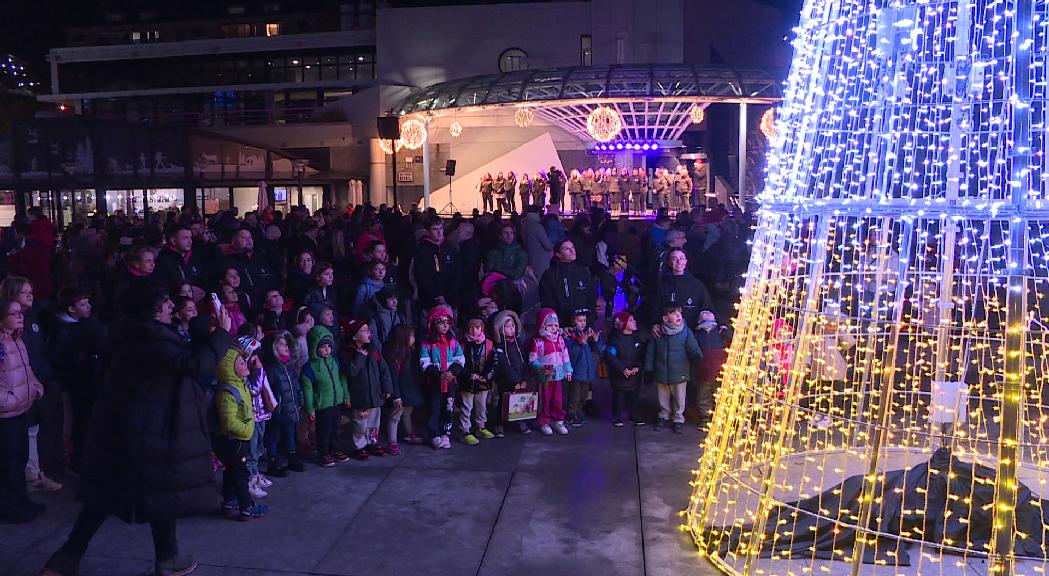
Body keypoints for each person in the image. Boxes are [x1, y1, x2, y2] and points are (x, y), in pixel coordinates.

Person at [42, 286, 233, 576]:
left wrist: (207, 334)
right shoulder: (148, 339)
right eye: (165, 302)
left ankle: (164, 556)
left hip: (135, 428)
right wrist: (222, 335)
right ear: (151, 310)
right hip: (145, 430)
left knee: (135, 496)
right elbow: (192, 364)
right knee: (115, 497)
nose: (171, 305)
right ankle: (68, 558)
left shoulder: (138, 334)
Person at [0, 277, 61, 493]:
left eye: (31, 291)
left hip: (32, 387)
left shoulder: (33, 320)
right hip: (15, 395)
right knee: (23, 436)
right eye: (24, 292)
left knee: (33, 432)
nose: (30, 295)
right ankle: (29, 477)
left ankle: (33, 474)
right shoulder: (12, 328)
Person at [49, 286, 106, 477]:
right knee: (77, 424)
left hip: (90, 381)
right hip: (75, 385)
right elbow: (56, 359)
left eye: (88, 302)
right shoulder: (63, 331)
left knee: (89, 421)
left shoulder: (89, 324)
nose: (89, 306)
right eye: (83, 304)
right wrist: (79, 358)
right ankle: (76, 460)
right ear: (71, 309)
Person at [214, 338, 270, 520]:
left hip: (238, 439)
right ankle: (246, 506)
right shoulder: (228, 391)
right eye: (240, 362)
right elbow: (229, 422)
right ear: (230, 369)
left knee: (232, 471)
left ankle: (230, 500)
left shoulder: (241, 383)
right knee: (240, 474)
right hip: (234, 440)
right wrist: (247, 429)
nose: (244, 363)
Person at [0, 298, 45, 523]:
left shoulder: (17, 339)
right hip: (6, 412)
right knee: (8, 461)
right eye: (14, 314)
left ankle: (20, 500)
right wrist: (8, 400)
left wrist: (35, 386)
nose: (20, 317)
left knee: (20, 457)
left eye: (21, 313)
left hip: (21, 409)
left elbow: (25, 369)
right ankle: (8, 506)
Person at [645, 305, 702, 434]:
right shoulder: (658, 333)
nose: (678, 316)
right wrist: (648, 367)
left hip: (679, 371)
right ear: (665, 318)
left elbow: (692, 346)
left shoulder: (686, 332)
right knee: (663, 396)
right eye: (674, 314)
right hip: (662, 371)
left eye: (679, 313)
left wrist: (696, 355)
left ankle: (678, 419)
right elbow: (651, 351)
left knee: (679, 398)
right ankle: (663, 415)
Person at [300, 326, 350, 468]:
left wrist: (346, 395)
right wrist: (310, 409)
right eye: (323, 347)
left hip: (336, 402)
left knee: (336, 427)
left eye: (329, 346)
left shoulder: (334, 362)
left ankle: (335, 449)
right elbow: (307, 390)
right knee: (324, 430)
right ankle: (324, 453)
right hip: (322, 405)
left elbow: (342, 379)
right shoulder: (309, 367)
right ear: (314, 347)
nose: (327, 349)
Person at [343, 320, 393, 461]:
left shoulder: (374, 350)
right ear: (354, 336)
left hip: (375, 394)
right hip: (360, 396)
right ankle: (359, 446)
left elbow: (384, 370)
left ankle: (372, 441)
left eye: (368, 330)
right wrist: (360, 356)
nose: (368, 333)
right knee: (360, 423)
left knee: (374, 422)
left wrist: (387, 387)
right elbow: (351, 372)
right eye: (363, 331)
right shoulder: (349, 352)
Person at [419, 305, 464, 450]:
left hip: (450, 382)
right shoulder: (427, 344)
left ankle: (446, 433)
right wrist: (439, 375)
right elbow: (424, 363)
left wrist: (452, 373)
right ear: (433, 324)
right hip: (434, 383)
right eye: (441, 322)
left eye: (448, 322)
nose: (445, 326)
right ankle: (434, 434)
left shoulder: (453, 343)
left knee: (449, 407)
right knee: (434, 408)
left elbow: (460, 360)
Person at [262, 330, 306, 476]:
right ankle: (272, 461)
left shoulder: (289, 366)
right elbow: (267, 391)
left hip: (291, 407)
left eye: (287, 344)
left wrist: (300, 400)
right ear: (274, 347)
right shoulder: (272, 369)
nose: (286, 347)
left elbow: (296, 385)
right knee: (274, 435)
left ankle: (292, 456)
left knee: (290, 433)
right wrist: (273, 407)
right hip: (278, 410)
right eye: (281, 344)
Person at [530, 308, 572, 436]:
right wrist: (540, 368)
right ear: (542, 325)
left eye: (555, 325)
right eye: (550, 325)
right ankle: (544, 421)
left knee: (558, 399)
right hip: (546, 375)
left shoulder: (560, 340)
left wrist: (568, 370)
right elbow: (533, 358)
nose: (554, 328)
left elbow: (565, 356)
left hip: (558, 375)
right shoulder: (538, 342)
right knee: (545, 399)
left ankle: (558, 420)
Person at [490, 309, 530, 437]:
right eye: (507, 326)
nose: (511, 328)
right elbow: (503, 366)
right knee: (502, 401)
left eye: (513, 325)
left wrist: (523, 379)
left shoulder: (519, 344)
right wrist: (514, 381)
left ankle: (520, 420)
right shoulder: (499, 347)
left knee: (521, 399)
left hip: (520, 380)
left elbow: (525, 362)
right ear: (500, 329)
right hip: (505, 381)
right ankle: (499, 424)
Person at [539, 239, 596, 326]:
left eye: (573, 247)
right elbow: (547, 303)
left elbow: (591, 297)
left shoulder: (583, 272)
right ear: (558, 254)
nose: (572, 251)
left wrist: (589, 320)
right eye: (566, 249)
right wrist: (557, 325)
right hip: (561, 326)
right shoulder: (550, 275)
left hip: (583, 324)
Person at [384, 325, 424, 448]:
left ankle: (409, 432)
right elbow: (393, 379)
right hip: (399, 392)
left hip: (408, 391)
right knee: (395, 415)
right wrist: (396, 396)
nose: (414, 338)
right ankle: (393, 442)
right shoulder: (394, 358)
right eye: (411, 336)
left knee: (407, 412)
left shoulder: (409, 353)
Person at [605, 311, 645, 427]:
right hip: (619, 376)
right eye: (631, 320)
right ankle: (617, 417)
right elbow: (611, 356)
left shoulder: (637, 339)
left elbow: (641, 355)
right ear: (623, 324)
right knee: (619, 397)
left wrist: (638, 367)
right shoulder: (615, 340)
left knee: (634, 397)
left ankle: (634, 416)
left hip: (634, 375)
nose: (634, 322)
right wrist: (622, 369)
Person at [459, 317, 494, 445]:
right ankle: (465, 430)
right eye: (471, 328)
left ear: (482, 328)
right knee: (467, 406)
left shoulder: (489, 344)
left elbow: (493, 362)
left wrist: (487, 375)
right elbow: (459, 363)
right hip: (468, 382)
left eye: (478, 327)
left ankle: (481, 426)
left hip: (483, 381)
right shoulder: (462, 344)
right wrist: (468, 374)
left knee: (482, 406)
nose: (474, 330)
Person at [563, 312, 601, 427]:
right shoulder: (570, 336)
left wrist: (595, 340)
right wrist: (582, 343)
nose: (583, 323)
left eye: (584, 320)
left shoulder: (587, 334)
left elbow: (596, 351)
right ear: (573, 322)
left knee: (584, 394)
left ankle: (579, 411)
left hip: (587, 372)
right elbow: (572, 354)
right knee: (574, 394)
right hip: (577, 371)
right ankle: (570, 414)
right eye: (580, 320)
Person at [695, 310, 731, 430]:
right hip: (703, 372)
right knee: (703, 397)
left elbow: (731, 341)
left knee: (719, 395)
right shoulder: (697, 335)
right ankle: (705, 419)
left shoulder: (721, 333)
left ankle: (720, 418)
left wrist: (727, 331)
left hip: (719, 371)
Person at [367, 284, 405, 352]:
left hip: (398, 353)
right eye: (391, 299)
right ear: (383, 300)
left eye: (396, 298)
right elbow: (373, 340)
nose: (394, 301)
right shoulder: (375, 317)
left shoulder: (400, 315)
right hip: (381, 354)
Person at [522, 207, 554, 281]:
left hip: (530, 258)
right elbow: (548, 245)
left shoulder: (524, 225)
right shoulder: (537, 225)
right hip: (541, 260)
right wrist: (555, 243)